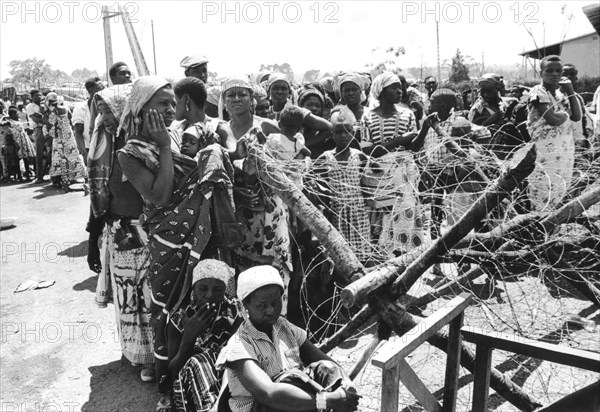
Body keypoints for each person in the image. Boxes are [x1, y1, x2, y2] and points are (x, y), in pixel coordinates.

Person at [117, 76, 238, 412]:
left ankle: (212, 363)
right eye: (162, 104)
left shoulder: (175, 136)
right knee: (169, 303)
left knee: (206, 293)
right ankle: (169, 378)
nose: (171, 109)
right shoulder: (129, 153)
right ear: (142, 109)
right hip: (166, 239)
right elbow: (160, 195)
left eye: (173, 103)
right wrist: (163, 146)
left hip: (196, 234)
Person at [85, 70, 154, 385]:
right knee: (127, 296)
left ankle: (154, 358)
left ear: (125, 109)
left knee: (147, 296)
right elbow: (100, 192)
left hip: (145, 231)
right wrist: (93, 238)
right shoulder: (103, 142)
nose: (104, 118)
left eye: (108, 111)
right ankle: (135, 353)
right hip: (116, 229)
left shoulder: (142, 143)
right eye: (100, 112)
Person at [215, 265, 360, 412]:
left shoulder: (284, 327)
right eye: (262, 306)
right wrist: (328, 400)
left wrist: (345, 387)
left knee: (326, 368)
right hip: (263, 407)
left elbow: (326, 362)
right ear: (244, 305)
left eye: (276, 302)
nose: (271, 310)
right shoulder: (240, 344)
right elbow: (267, 394)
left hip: (295, 405)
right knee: (290, 378)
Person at [361, 72, 427, 259]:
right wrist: (399, 140)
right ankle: (385, 256)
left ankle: (402, 253)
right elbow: (368, 150)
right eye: (394, 87)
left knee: (405, 209)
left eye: (401, 87)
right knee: (383, 215)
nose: (400, 91)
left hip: (405, 174)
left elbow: (413, 147)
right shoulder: (368, 117)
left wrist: (425, 130)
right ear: (381, 91)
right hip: (379, 175)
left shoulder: (407, 115)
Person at [168, 259, 242, 412]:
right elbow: (174, 371)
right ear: (193, 289)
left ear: (225, 290)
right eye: (203, 288)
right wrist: (189, 336)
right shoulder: (179, 319)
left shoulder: (234, 313)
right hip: (190, 383)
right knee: (198, 362)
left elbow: (240, 359)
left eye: (217, 290)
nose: (209, 295)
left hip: (228, 380)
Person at [314, 108, 373, 263]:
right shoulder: (326, 157)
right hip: (337, 212)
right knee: (340, 254)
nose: (343, 136)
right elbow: (312, 179)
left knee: (361, 251)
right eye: (338, 132)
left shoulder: (359, 155)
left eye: (347, 131)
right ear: (332, 133)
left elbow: (371, 176)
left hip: (358, 212)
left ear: (353, 133)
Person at [526, 55, 581, 211]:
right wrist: (566, 113)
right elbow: (553, 119)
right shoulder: (537, 92)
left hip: (564, 152)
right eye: (549, 70)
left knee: (560, 190)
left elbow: (576, 116)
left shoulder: (561, 94)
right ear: (541, 73)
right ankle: (540, 228)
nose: (555, 74)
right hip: (545, 154)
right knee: (544, 192)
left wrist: (570, 91)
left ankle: (553, 229)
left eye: (558, 71)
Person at [45, 92, 87, 191]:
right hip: (68, 135)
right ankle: (72, 177)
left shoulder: (52, 112)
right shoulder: (66, 109)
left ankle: (60, 180)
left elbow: (50, 125)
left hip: (58, 137)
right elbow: (71, 121)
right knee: (72, 155)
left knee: (59, 157)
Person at [72, 76, 104, 165]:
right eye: (100, 89)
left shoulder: (107, 106)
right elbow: (78, 133)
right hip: (89, 148)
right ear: (91, 91)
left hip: (106, 147)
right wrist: (84, 154)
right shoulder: (80, 108)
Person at [298, 87, 334, 159]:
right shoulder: (294, 129)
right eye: (309, 105)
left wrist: (307, 143)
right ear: (301, 107)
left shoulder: (326, 136)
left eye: (318, 106)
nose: (314, 108)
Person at [1, 107, 35, 180]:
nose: (18, 115)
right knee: (17, 159)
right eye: (17, 114)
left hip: (24, 141)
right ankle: (19, 176)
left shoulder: (19, 121)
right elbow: (1, 123)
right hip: (17, 142)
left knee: (26, 158)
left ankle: (28, 176)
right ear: (12, 115)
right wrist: (6, 116)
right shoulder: (9, 122)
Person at [25, 89, 47, 183]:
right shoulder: (30, 106)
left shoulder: (45, 104)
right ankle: (39, 176)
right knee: (39, 153)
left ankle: (51, 173)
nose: (38, 97)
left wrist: (42, 116)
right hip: (39, 129)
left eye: (39, 95)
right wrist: (46, 119)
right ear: (32, 97)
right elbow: (35, 119)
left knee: (51, 151)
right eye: (36, 96)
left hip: (48, 129)